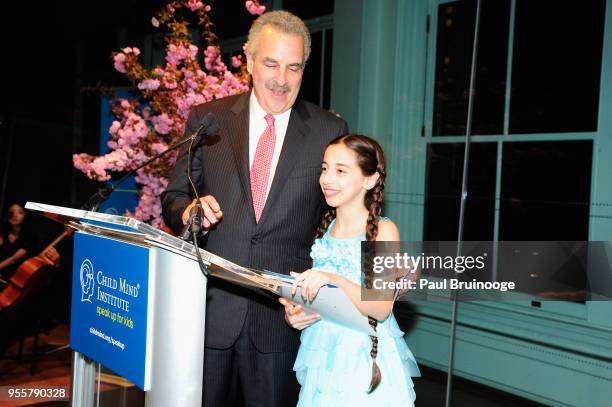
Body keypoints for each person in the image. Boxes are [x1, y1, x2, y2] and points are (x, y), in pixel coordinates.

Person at [161, 10, 348, 407]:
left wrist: (332, 291)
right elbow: (173, 197)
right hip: (208, 316)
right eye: (271, 63)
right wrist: (189, 210)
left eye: (294, 67)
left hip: (282, 322)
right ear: (248, 60)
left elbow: (343, 220)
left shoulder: (328, 131)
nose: (282, 79)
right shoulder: (206, 120)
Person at [280, 135, 420, 406]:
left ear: (370, 179)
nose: (327, 179)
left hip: (363, 355)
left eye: (340, 171)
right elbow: (320, 296)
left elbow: (380, 306)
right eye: (324, 168)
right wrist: (294, 310)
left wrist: (333, 279)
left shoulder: (382, 231)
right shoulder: (325, 228)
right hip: (322, 350)